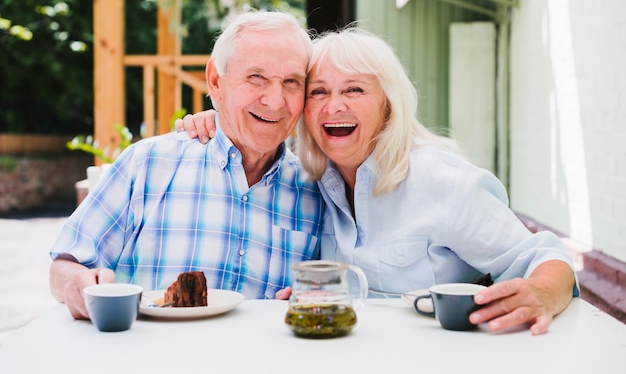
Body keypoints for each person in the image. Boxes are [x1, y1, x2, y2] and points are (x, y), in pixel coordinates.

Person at [178, 27, 579, 335]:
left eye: (354, 89)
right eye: (318, 92)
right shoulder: (313, 184)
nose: (335, 106)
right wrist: (219, 120)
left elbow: (546, 258)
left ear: (388, 105)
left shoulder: (443, 181)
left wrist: (542, 293)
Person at [49, 11, 325, 320]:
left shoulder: (316, 191)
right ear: (215, 81)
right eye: (256, 77)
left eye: (291, 82)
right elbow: (65, 265)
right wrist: (75, 283)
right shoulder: (148, 164)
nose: (275, 101)